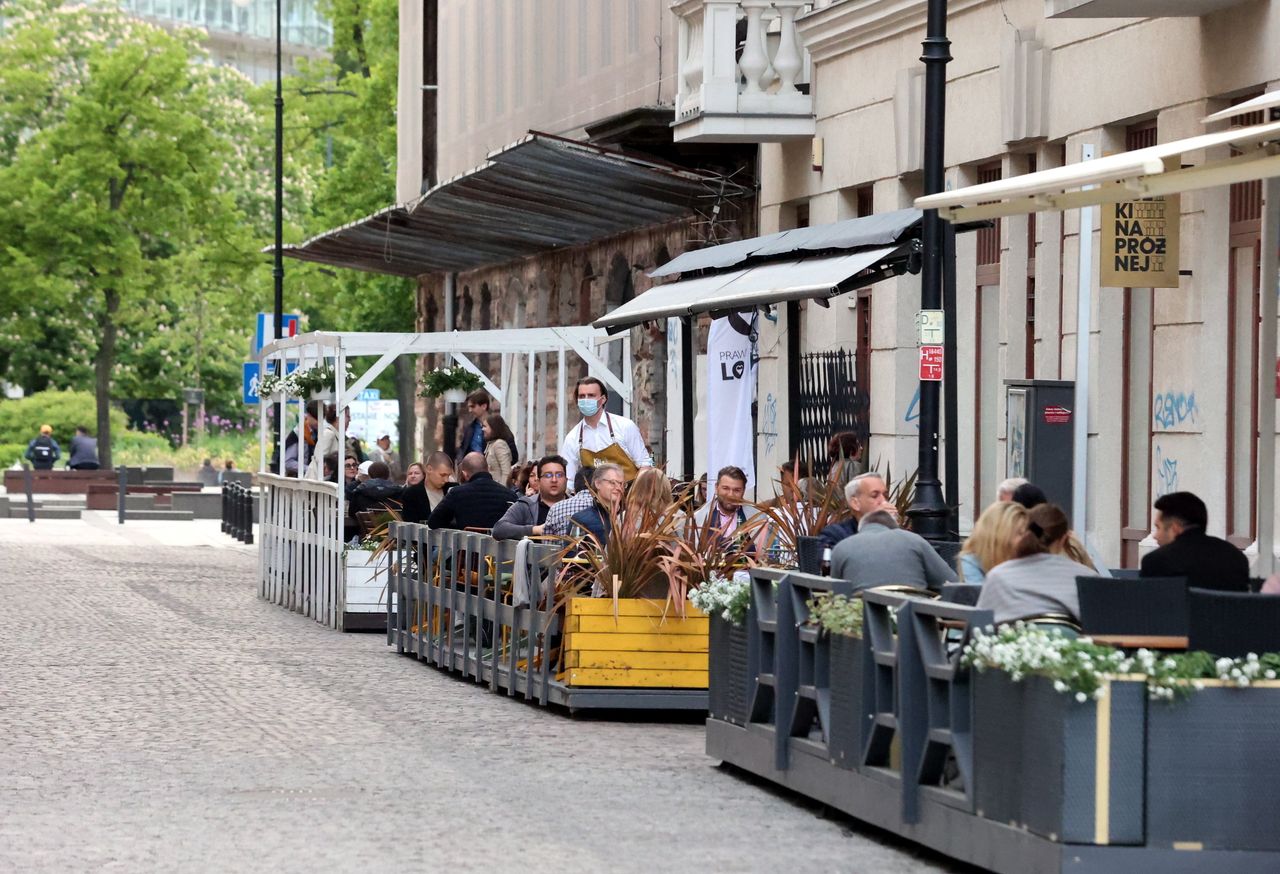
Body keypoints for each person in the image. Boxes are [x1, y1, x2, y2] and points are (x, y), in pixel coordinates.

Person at [976, 503, 1095, 626]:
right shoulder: (1088, 578)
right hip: (1071, 644)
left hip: (1014, 643)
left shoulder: (998, 576)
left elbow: (980, 627)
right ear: (1063, 539)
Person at [1141, 491, 1249, 592]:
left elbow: (1150, 607)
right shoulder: (1236, 557)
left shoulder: (1156, 561)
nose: (1155, 536)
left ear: (1175, 529)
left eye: (1158, 527)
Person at [829, 509, 957, 593]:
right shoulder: (913, 540)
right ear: (895, 528)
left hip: (861, 625)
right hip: (913, 625)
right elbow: (952, 583)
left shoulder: (842, 547)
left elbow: (836, 593)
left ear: (861, 529)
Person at [559, 377, 652, 486]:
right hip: (594, 501)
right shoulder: (572, 438)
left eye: (591, 395)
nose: (586, 400)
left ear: (603, 399)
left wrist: (636, 493)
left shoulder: (625, 426)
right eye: (582, 396)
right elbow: (568, 479)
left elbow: (645, 464)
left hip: (630, 496)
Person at [426, 452, 517, 531]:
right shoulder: (509, 495)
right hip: (501, 550)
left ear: (465, 474)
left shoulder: (457, 493)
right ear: (488, 469)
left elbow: (433, 522)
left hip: (466, 550)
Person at [493, 454, 569, 540]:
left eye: (559, 475)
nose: (554, 480)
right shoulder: (526, 505)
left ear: (566, 479)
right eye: (548, 475)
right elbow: (499, 529)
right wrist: (535, 530)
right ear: (539, 480)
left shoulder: (576, 505)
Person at [818, 472, 895, 549]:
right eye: (874, 496)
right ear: (855, 503)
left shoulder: (895, 533)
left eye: (885, 495)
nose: (883, 500)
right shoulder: (835, 534)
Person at [692, 466, 763, 545]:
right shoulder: (698, 519)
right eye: (725, 488)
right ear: (716, 488)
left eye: (737, 490)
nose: (730, 494)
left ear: (743, 490)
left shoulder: (758, 519)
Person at [958, 501, 1026, 582]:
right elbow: (981, 593)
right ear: (999, 534)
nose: (1026, 538)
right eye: (1019, 533)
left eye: (1025, 532)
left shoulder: (1027, 555)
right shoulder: (973, 560)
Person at [568, 462, 627, 547]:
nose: (618, 488)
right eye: (612, 483)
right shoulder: (581, 519)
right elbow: (571, 554)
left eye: (622, 484)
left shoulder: (629, 518)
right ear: (598, 484)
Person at [482, 413, 518, 487]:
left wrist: (503, 490)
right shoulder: (490, 444)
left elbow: (506, 471)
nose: (483, 429)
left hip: (499, 489)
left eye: (485, 426)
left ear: (493, 427)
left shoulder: (499, 444)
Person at [306, 404, 341, 477]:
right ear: (338, 418)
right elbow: (320, 458)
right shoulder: (329, 434)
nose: (350, 420)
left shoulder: (334, 434)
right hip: (317, 481)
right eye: (347, 416)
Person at [457, 389, 491, 461]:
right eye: (469, 407)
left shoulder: (497, 425)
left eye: (473, 406)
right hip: (471, 469)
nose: (470, 410)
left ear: (484, 406)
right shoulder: (469, 428)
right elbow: (463, 449)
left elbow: (511, 451)